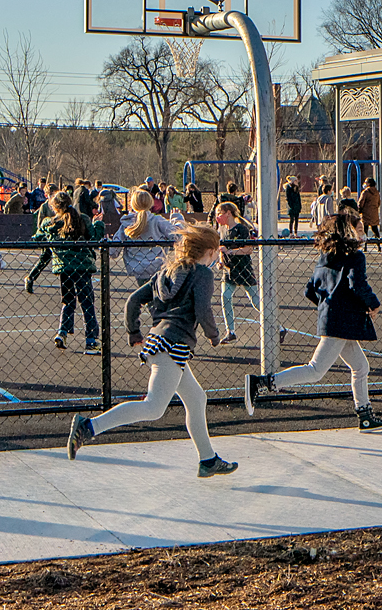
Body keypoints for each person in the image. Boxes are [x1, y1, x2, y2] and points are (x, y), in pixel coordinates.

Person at [68, 224, 237, 477]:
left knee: (196, 399)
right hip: (174, 346)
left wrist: (134, 332)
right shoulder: (202, 274)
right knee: (154, 407)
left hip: (160, 341)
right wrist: (214, 335)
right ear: (211, 251)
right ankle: (89, 426)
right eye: (216, 252)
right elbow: (203, 310)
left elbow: (133, 300)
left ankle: (208, 459)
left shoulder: (166, 272)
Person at [244, 210, 382, 432]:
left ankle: (365, 416)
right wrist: (373, 304)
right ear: (348, 232)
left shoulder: (326, 257)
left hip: (335, 320)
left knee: (361, 367)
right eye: (360, 230)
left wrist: (328, 306)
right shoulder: (355, 257)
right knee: (315, 370)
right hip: (341, 323)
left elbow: (310, 290)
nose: (363, 235)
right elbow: (357, 284)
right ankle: (262, 383)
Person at [36, 189, 105, 353]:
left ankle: (62, 331)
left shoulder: (50, 223)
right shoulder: (82, 219)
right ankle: (90, 340)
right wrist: (99, 224)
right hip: (82, 266)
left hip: (64, 268)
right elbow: (94, 238)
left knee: (68, 301)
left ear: (54, 207)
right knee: (87, 303)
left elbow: (38, 237)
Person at [214, 199, 259, 347]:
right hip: (229, 271)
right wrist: (221, 261)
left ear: (228, 213)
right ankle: (230, 331)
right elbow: (222, 248)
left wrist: (231, 251)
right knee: (225, 297)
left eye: (220, 213)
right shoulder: (222, 230)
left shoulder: (241, 229)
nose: (218, 217)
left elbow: (249, 249)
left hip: (243, 269)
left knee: (256, 300)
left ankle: (277, 327)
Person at [122, 187, 181, 281]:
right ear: (150, 203)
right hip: (158, 268)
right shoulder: (157, 220)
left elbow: (113, 252)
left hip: (136, 268)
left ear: (133, 205)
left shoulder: (126, 223)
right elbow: (177, 236)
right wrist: (177, 219)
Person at [356, 177, 382, 250]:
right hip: (374, 213)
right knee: (375, 229)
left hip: (366, 214)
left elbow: (361, 202)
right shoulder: (377, 192)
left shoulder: (365, 192)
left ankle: (365, 246)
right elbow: (378, 203)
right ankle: (378, 245)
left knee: (365, 230)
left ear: (368, 184)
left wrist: (359, 209)